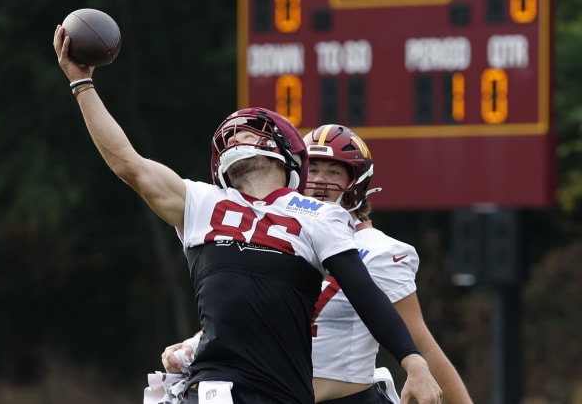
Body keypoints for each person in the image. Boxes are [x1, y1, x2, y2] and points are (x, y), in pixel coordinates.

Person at [53, 25, 442, 404]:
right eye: (233, 134)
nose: (238, 137)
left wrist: (415, 363)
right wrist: (82, 85)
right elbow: (129, 165)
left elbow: (365, 294)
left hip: (281, 392)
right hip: (212, 389)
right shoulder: (199, 203)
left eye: (251, 132)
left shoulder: (320, 217)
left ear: (288, 156)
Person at [161, 125, 472, 404]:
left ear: (356, 182)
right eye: (314, 170)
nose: (320, 181)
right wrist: (194, 344)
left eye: (334, 172)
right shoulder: (277, 234)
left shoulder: (379, 252)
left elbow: (421, 343)